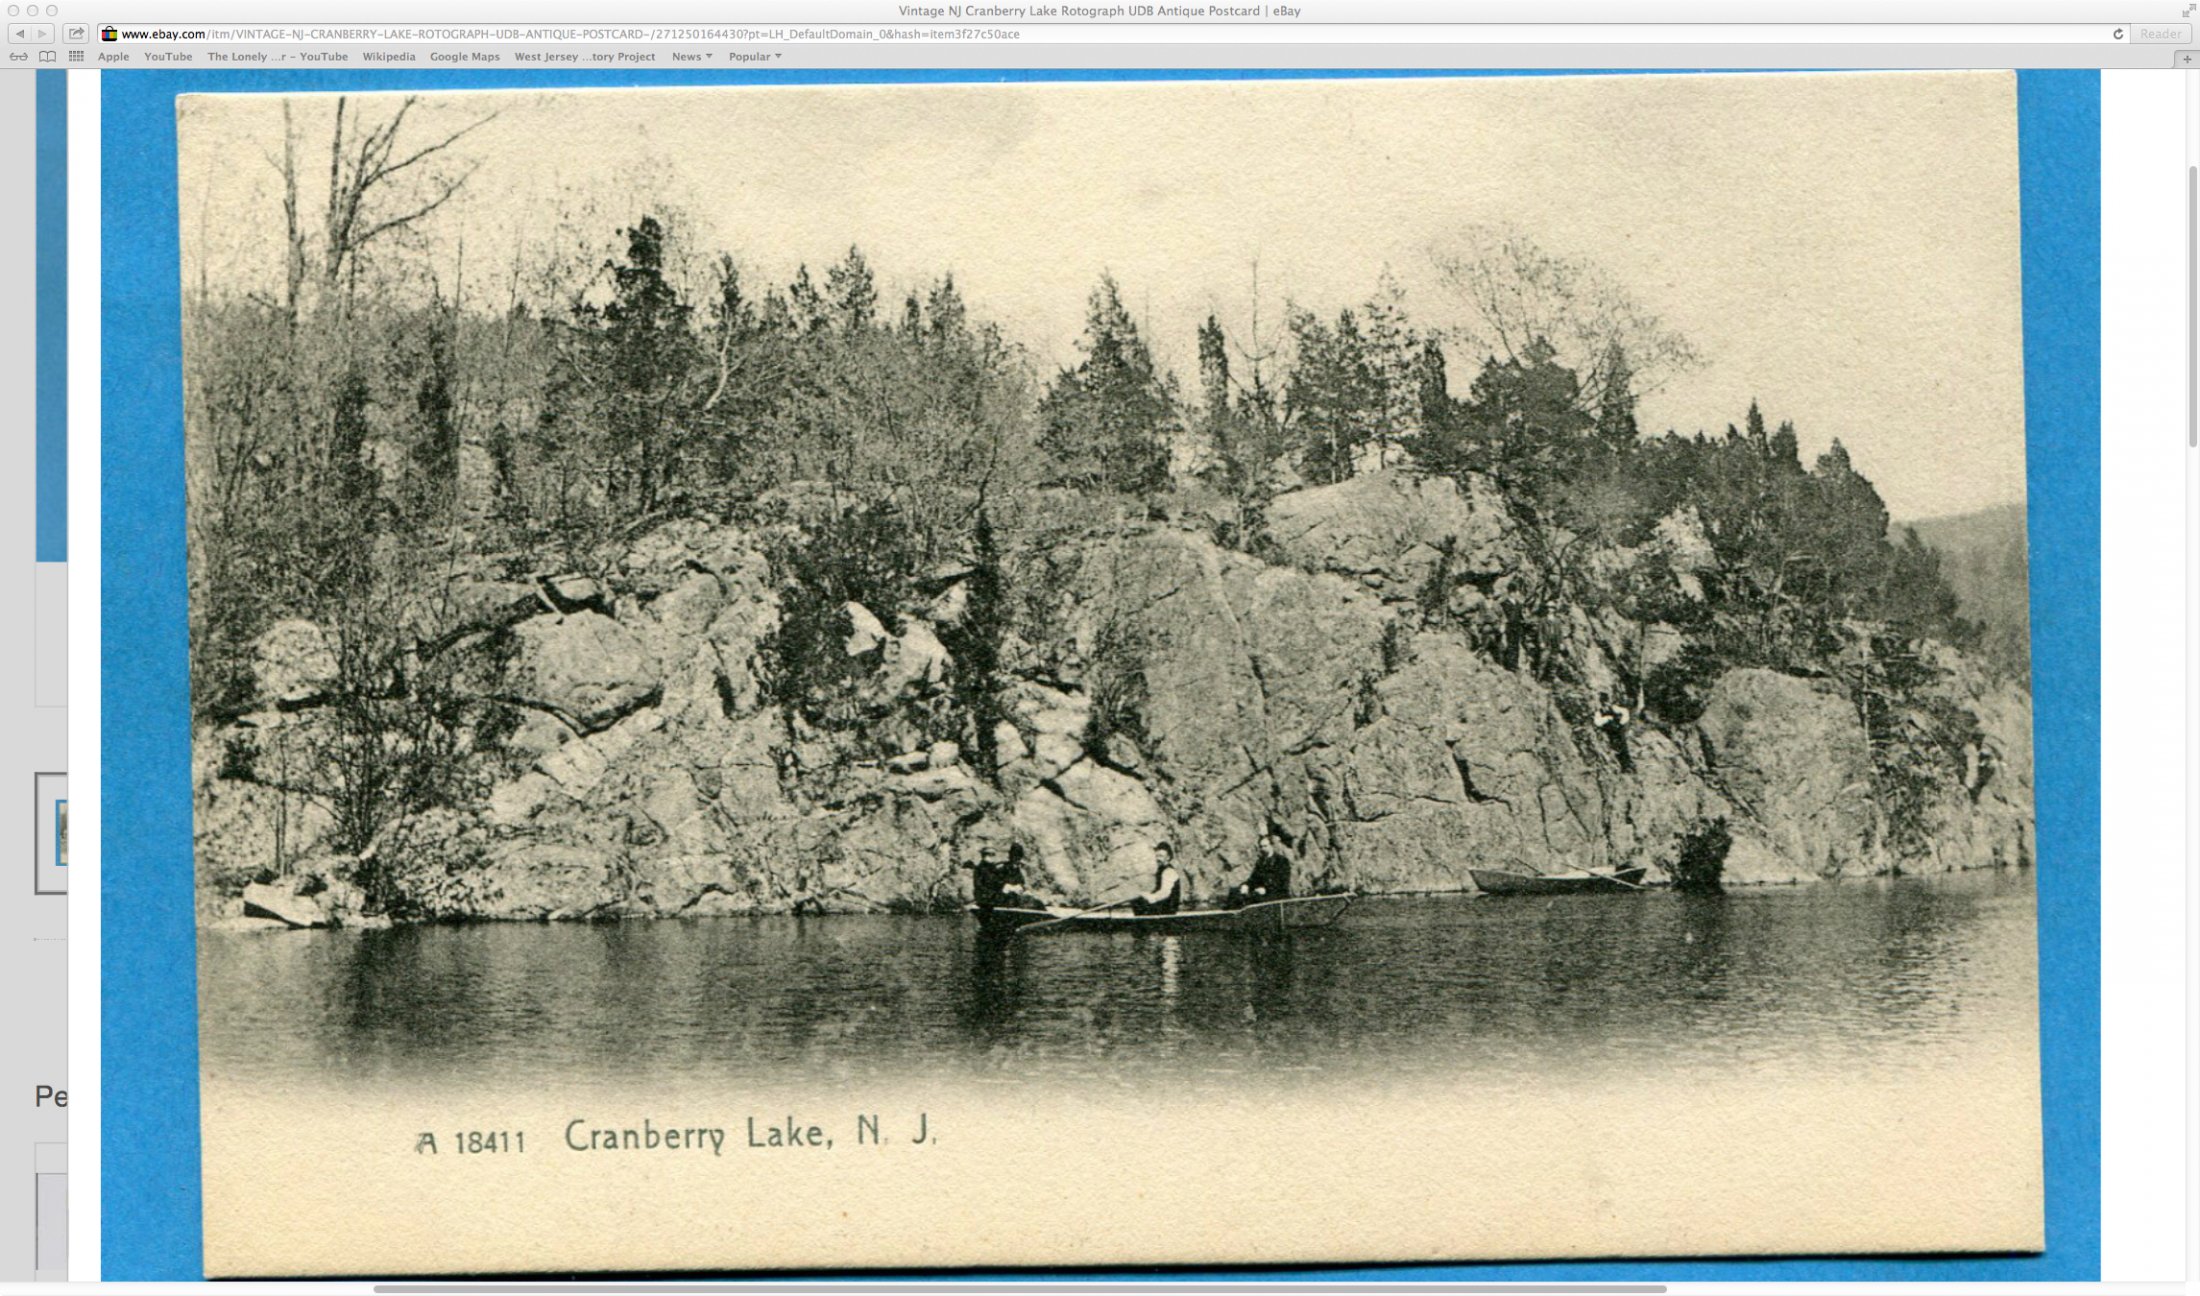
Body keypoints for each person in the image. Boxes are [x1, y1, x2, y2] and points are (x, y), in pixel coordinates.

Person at [1228, 825, 1295, 907]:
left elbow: (1282, 882)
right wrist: (1246, 885)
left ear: (1271, 846)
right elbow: (1254, 878)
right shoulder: (1261, 862)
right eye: (1261, 847)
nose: (1263, 849)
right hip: (1261, 891)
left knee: (1255, 898)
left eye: (1265, 846)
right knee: (1235, 892)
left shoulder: (1281, 861)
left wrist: (1266, 889)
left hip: (1277, 894)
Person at [964, 842, 1042, 912]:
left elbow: (1020, 882)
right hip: (989, 898)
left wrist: (1019, 888)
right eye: (988, 854)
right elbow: (987, 884)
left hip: (998, 895)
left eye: (993, 854)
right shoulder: (994, 868)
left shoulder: (996, 868)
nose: (991, 856)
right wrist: (1005, 887)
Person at [1128, 840, 1185, 916]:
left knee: (1139, 902)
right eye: (1157, 856)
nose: (1158, 859)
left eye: (1161, 856)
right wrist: (1146, 894)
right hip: (1162, 906)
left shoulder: (1169, 872)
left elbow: (1165, 893)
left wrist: (1150, 897)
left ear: (1168, 857)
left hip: (1168, 909)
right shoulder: (1161, 870)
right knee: (1137, 900)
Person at [1592, 690, 1635, 773]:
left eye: (1606, 701)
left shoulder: (1614, 708)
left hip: (1618, 730)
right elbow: (1597, 722)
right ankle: (1624, 765)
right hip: (1610, 732)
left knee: (1623, 745)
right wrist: (1607, 719)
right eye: (1603, 702)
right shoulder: (1599, 712)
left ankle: (1627, 765)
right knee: (1616, 746)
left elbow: (1625, 712)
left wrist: (1621, 723)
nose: (1606, 704)